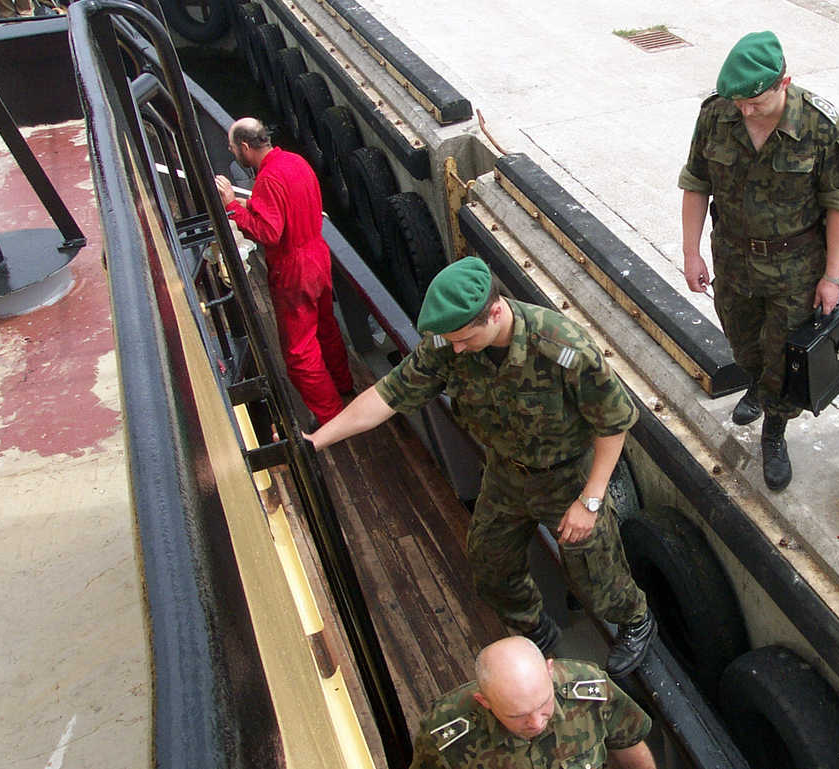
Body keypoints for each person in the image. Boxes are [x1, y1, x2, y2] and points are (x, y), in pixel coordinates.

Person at [307, 256, 656, 677]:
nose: (454, 349)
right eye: (449, 340)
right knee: (490, 566)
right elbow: (386, 396)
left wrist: (591, 500)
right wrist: (315, 442)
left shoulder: (561, 348)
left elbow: (614, 424)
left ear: (495, 312)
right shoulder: (448, 344)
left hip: (568, 478)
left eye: (463, 339)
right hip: (506, 474)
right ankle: (536, 630)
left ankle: (636, 621)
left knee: (595, 574)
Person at [679, 31, 839, 492]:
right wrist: (691, 251)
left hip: (795, 267)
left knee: (785, 356)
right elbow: (697, 183)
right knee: (744, 346)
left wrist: (832, 278)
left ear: (784, 82)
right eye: (738, 101)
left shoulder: (822, 127)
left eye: (755, 102)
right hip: (734, 260)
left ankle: (775, 429)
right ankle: (759, 386)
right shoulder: (718, 113)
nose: (745, 110)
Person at [214, 117, 353, 427]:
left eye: (233, 146)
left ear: (246, 147)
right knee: (325, 326)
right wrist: (248, 204)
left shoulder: (268, 179)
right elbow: (287, 208)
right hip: (318, 255)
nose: (232, 151)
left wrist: (233, 207)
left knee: (299, 352)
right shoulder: (296, 161)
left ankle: (332, 416)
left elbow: (270, 232)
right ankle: (343, 384)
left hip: (294, 268)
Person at [409, 637, 656, 769]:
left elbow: (629, 743)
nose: (536, 723)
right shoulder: (446, 735)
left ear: (550, 670)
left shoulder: (590, 690)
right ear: (484, 701)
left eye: (544, 704)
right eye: (517, 716)